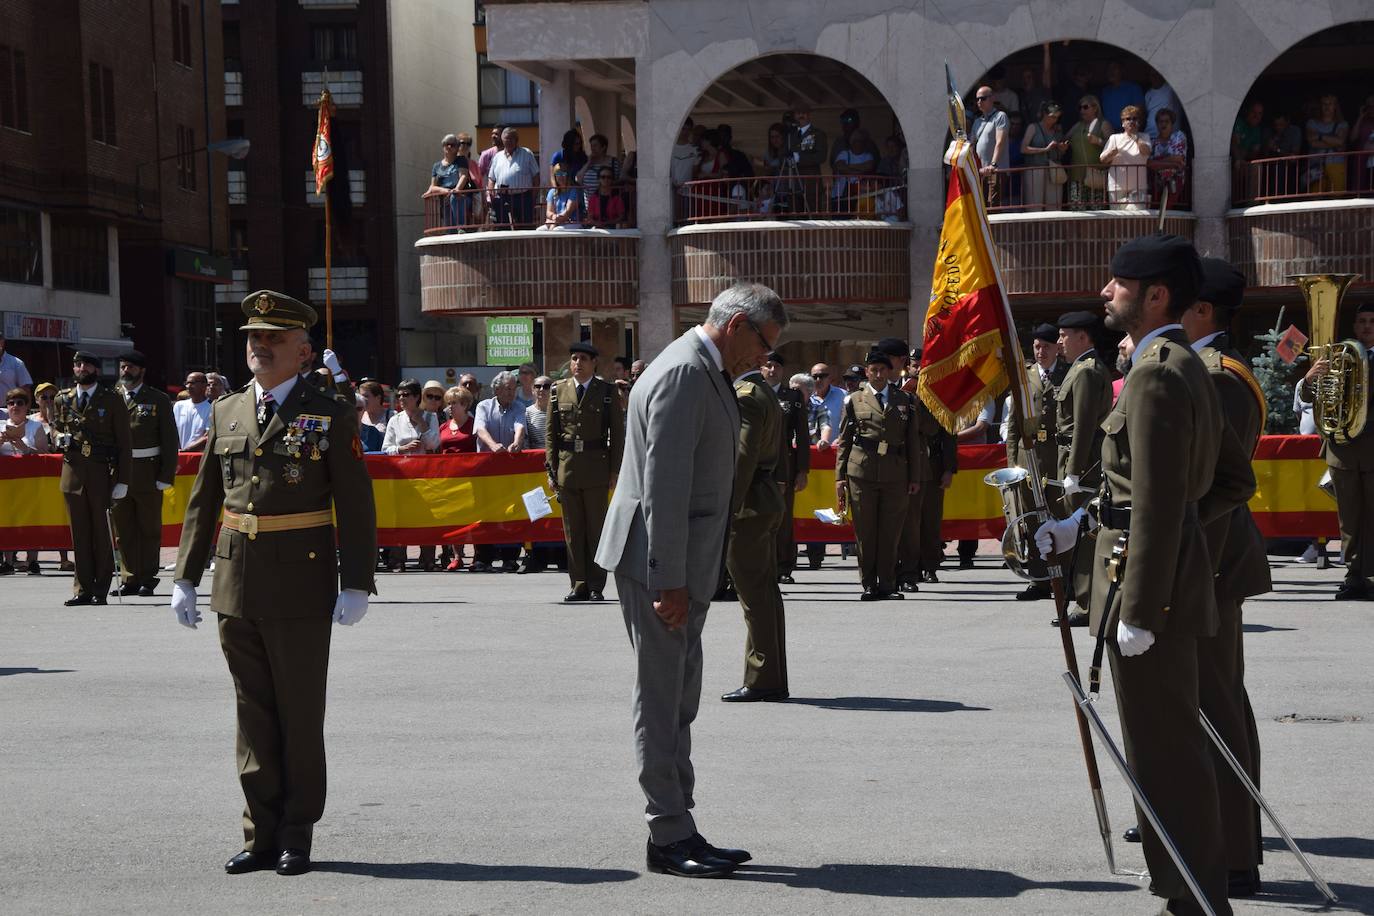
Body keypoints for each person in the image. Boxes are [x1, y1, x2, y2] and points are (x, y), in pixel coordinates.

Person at [1036, 234, 1254, 916]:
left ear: (1155, 294)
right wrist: (1089, 524)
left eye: (1117, 282)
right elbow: (1222, 484)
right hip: (1151, 577)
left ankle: (1192, 899)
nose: (1106, 291)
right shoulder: (1181, 360)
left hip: (1145, 596)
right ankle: (1193, 891)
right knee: (1171, 746)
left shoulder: (1159, 370)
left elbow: (1162, 503)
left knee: (1165, 755)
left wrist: (1143, 603)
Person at [169, 289, 377, 878]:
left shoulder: (331, 412)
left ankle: (296, 833)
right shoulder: (227, 410)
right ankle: (259, 833)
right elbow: (204, 499)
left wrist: (357, 581)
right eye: (254, 338)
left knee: (299, 714)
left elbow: (355, 506)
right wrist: (185, 575)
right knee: (252, 712)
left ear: (304, 350)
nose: (259, 347)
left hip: (301, 581)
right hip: (236, 581)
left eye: (273, 339)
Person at [594, 282, 784, 878]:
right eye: (763, 344)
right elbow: (664, 489)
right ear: (735, 324)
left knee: (679, 694)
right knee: (661, 695)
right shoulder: (683, 373)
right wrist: (667, 579)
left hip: (679, 563)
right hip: (661, 562)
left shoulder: (703, 367)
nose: (764, 359)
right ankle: (667, 835)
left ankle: (681, 824)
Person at [1183, 257, 1270, 896]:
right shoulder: (1202, 371)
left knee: (1216, 703)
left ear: (1203, 311)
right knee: (1210, 700)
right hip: (1201, 562)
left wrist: (1184, 573)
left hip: (1208, 563)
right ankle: (1212, 833)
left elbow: (1215, 487)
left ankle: (1234, 851)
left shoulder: (1218, 379)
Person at [720, 362, 788, 703]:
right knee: (765, 593)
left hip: (748, 504)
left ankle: (762, 678)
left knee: (754, 598)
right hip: (763, 498)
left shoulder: (745, 396)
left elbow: (743, 457)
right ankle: (771, 675)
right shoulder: (762, 391)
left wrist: (726, 506)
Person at [835, 349, 925, 600]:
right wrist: (840, 478)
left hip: (895, 473)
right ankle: (868, 584)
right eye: (873, 370)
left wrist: (914, 477)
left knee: (891, 531)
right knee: (865, 531)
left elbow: (912, 442)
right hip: (861, 471)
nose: (877, 374)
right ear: (866, 372)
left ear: (890, 372)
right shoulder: (854, 400)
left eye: (882, 370)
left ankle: (887, 583)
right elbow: (844, 442)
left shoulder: (904, 400)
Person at [1303, 300, 1374, 599]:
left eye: (1372, 321)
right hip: (1343, 449)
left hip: (1372, 448)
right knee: (1349, 518)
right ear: (1354, 326)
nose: (1367, 327)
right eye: (1362, 321)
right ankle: (1354, 575)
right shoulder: (1337, 358)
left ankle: (1368, 574)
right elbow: (1311, 397)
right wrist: (1311, 378)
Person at [51, 349, 132, 606]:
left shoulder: (111, 399)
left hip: (101, 473)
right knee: (80, 535)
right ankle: (82, 589)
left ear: (96, 370)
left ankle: (100, 589)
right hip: (73, 474)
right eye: (77, 364)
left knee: (101, 533)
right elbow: (56, 428)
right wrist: (56, 438)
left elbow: (124, 443)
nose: (81, 368)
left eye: (86, 364)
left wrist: (123, 480)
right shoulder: (63, 399)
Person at [548, 342, 624, 602]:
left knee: (596, 530)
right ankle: (577, 583)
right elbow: (551, 434)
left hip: (596, 469)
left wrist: (615, 470)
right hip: (567, 468)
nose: (577, 363)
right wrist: (551, 470)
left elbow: (618, 434)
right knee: (573, 531)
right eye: (573, 358)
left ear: (594, 363)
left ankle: (595, 585)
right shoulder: (558, 391)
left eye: (582, 359)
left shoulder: (606, 392)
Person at [1005, 324, 1068, 602]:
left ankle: (1064, 580)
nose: (1040, 351)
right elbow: (1013, 427)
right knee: (1031, 520)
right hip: (1027, 456)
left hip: (1056, 457)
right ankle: (1039, 580)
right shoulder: (1024, 376)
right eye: (1036, 346)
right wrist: (1011, 464)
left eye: (1046, 346)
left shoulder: (1068, 375)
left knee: (1059, 518)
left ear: (1057, 347)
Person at [110, 350, 178, 597]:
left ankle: (147, 578)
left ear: (142, 371)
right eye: (122, 367)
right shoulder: (112, 397)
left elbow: (170, 440)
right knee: (124, 528)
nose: (125, 371)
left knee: (148, 528)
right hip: (119, 473)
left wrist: (166, 475)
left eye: (130, 367)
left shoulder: (157, 399)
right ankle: (129, 577)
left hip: (148, 471)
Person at [902, 347, 957, 585]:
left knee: (930, 519)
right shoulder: (901, 391)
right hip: (903, 463)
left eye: (922, 364)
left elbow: (945, 432)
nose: (918, 368)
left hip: (932, 462)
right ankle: (909, 567)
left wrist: (948, 468)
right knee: (908, 520)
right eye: (915, 364)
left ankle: (931, 566)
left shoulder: (938, 394)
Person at [1055, 310, 1113, 515]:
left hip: (1084, 464)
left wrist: (1074, 471)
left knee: (1080, 530)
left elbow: (1084, 425)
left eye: (1064, 335)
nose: (1059, 341)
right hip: (1073, 457)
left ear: (1082, 337)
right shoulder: (1078, 367)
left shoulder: (1086, 370)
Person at [760, 353, 808, 586]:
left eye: (776, 366)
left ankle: (784, 565)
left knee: (783, 517)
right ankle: (762, 565)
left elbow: (802, 433)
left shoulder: (793, 396)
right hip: (758, 464)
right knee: (758, 517)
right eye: (767, 366)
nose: (771, 370)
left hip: (784, 464)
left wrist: (802, 470)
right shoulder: (753, 392)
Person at [474, 370, 526, 573]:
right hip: (486, 470)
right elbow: (480, 429)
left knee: (511, 511)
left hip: (510, 471)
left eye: (514, 388)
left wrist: (517, 442)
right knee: (485, 513)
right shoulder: (483, 406)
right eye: (508, 389)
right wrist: (493, 445)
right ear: (496, 389)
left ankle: (510, 557)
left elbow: (520, 425)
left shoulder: (519, 406)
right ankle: (483, 557)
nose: (512, 392)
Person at [0, 387, 49, 575]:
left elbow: (46, 455)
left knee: (31, 518)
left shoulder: (35, 427)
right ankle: (8, 561)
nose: (15, 406)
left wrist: (24, 448)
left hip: (30, 482)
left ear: (27, 405)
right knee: (7, 520)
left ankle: (32, 561)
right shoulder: (0, 425)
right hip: (6, 484)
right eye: (11, 403)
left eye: (20, 402)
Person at [803, 362, 846, 570]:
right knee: (811, 503)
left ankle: (843, 542)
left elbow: (849, 424)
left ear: (832, 377)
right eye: (814, 376)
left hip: (835, 459)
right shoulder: (803, 396)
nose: (818, 380)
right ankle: (814, 553)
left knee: (834, 502)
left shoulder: (843, 397)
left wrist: (839, 441)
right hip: (809, 459)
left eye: (822, 375)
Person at [1100, 105, 1152, 208]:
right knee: (1117, 219)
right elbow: (1102, 159)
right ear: (1123, 123)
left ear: (1139, 122)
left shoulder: (1145, 137)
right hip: (1117, 188)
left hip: (1138, 188)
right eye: (1128, 118)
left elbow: (1146, 152)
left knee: (1138, 218)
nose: (1131, 121)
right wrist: (1112, 153)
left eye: (1135, 118)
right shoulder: (1114, 138)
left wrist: (1135, 137)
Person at [487, 127, 539, 227]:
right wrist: (491, 193)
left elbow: (536, 177)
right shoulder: (497, 157)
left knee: (525, 228)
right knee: (501, 228)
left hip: (523, 198)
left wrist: (532, 197)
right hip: (502, 197)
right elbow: (491, 178)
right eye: (506, 138)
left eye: (511, 138)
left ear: (516, 140)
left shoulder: (527, 153)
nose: (509, 141)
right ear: (502, 140)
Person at [1021, 101, 1068, 210]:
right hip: (1035, 169)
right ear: (1044, 114)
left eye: (1057, 117)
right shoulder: (1033, 127)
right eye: (1052, 117)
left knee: (1054, 206)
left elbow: (1060, 152)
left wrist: (1062, 149)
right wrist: (1045, 149)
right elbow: (1023, 148)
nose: (1054, 120)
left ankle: (1053, 227)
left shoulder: (1057, 130)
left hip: (1054, 169)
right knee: (1034, 206)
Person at [1066, 94, 1111, 208]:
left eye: (1085, 107)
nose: (1082, 110)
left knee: (1098, 211)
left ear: (1095, 108)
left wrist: (1099, 141)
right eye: (1080, 108)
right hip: (1077, 177)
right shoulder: (1078, 125)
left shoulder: (1103, 124)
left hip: (1096, 176)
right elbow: (1065, 139)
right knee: (1076, 211)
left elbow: (1113, 146)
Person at [423, 133, 474, 228]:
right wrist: (446, 191)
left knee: (454, 197)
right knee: (450, 229)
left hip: (461, 196)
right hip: (445, 198)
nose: (449, 146)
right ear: (443, 146)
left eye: (453, 145)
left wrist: (456, 189)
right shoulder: (436, 166)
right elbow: (433, 186)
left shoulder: (461, 160)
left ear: (457, 147)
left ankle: (461, 226)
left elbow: (463, 175)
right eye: (447, 144)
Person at [784, 102, 828, 213]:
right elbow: (783, 155)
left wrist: (799, 158)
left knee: (814, 219)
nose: (801, 116)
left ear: (809, 115)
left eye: (804, 113)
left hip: (811, 184)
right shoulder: (790, 135)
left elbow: (821, 157)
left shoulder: (818, 134)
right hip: (793, 184)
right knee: (795, 219)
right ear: (794, 116)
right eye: (798, 113)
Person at [971, 85, 1010, 205]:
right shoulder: (977, 121)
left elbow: (1000, 142)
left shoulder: (1000, 116)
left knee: (994, 207)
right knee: (982, 207)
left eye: (983, 98)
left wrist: (993, 165)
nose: (979, 102)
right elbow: (971, 145)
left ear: (992, 98)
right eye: (977, 99)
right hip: (981, 172)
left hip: (995, 172)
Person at [1305, 94, 1349, 194]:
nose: (1327, 107)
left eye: (1330, 104)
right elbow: (1312, 142)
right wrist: (1334, 141)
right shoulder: (1311, 122)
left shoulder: (1343, 124)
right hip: (1315, 165)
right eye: (1324, 104)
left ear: (1335, 106)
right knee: (1314, 196)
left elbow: (1341, 141)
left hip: (1336, 163)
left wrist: (1320, 137)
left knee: (1337, 196)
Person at [831, 127, 877, 214]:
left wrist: (849, 167)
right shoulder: (844, 153)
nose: (861, 143)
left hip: (861, 196)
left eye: (863, 141)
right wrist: (859, 171)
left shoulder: (868, 156)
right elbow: (840, 167)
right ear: (852, 142)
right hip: (841, 195)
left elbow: (868, 167)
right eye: (858, 140)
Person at [1147, 108, 1188, 203]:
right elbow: (1148, 163)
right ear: (1157, 124)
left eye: (1167, 121)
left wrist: (1158, 162)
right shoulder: (1152, 143)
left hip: (1175, 183)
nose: (1163, 124)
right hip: (1156, 186)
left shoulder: (1178, 136)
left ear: (1172, 123)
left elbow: (1179, 158)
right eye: (1161, 121)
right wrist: (1171, 163)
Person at [1231, 101, 1265, 201]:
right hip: (1232, 159)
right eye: (1253, 112)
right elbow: (1234, 143)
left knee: (1255, 167)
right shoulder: (1239, 123)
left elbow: (1254, 152)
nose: (1256, 116)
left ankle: (1251, 203)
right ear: (1248, 112)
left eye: (1260, 114)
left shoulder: (1257, 130)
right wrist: (1238, 159)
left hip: (1244, 161)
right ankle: (1233, 202)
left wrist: (1244, 156)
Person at [174, 371, 213, 450]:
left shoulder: (212, 408)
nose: (188, 386)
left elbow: (208, 436)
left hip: (199, 457)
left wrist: (186, 450)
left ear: (204, 385)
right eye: (187, 383)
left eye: (192, 383)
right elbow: (172, 431)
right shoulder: (179, 406)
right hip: (180, 456)